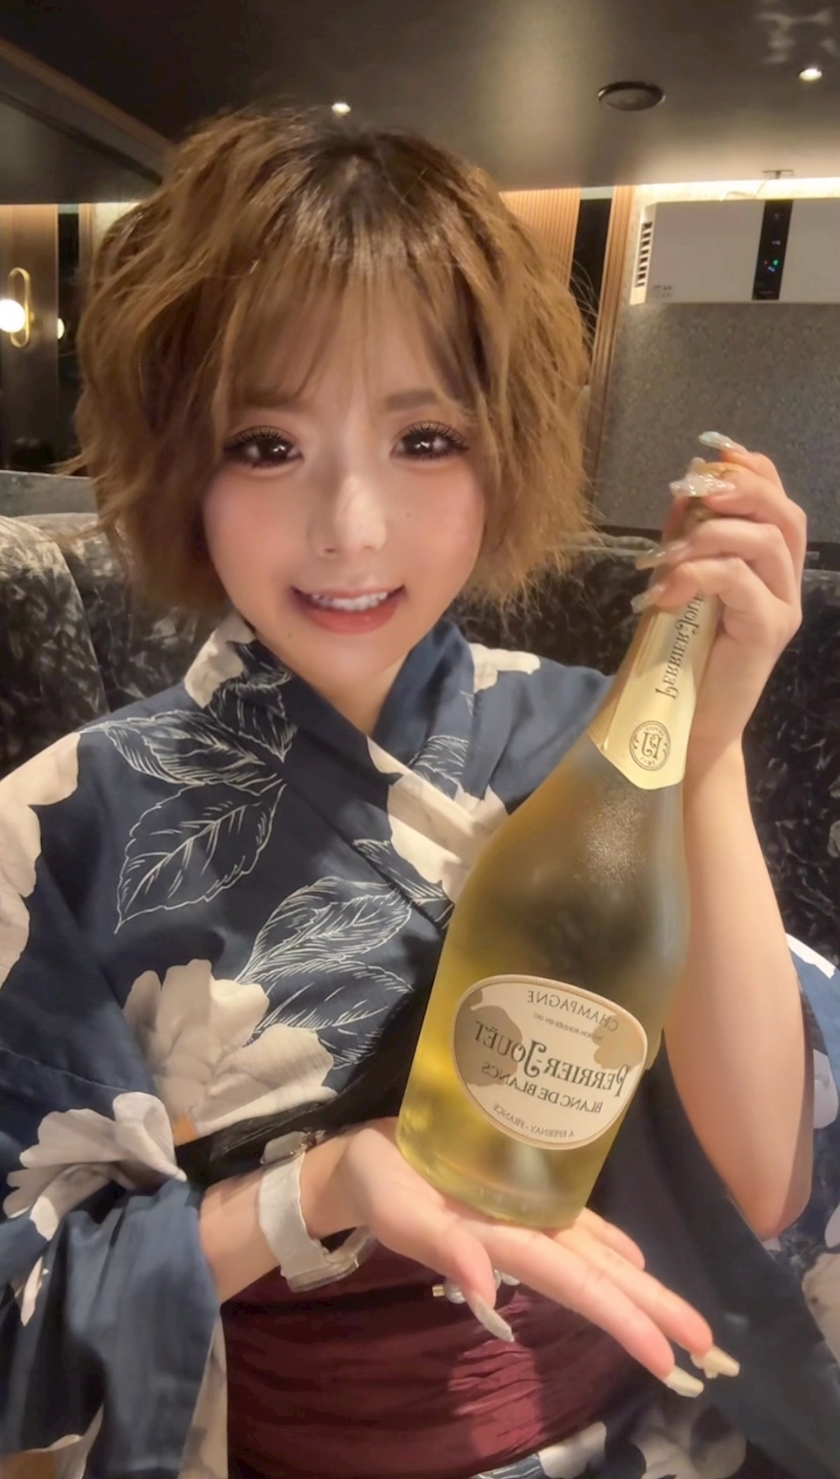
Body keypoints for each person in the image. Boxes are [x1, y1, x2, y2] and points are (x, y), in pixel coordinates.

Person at [0, 107, 839, 1479]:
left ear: (506, 447)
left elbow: (759, 1186)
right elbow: (15, 1307)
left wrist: (711, 744)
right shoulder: (60, 825)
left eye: (427, 439)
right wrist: (320, 1190)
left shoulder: (603, 753)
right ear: (180, 458)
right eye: (266, 443)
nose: (353, 528)